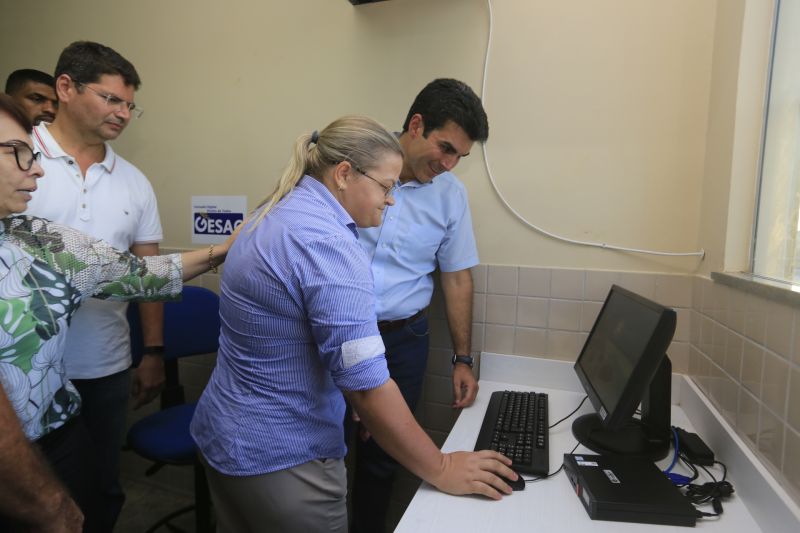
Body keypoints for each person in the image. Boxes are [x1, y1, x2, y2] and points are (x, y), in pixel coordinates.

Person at [190, 115, 515, 533]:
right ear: (344, 174)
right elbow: (367, 387)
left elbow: (295, 338)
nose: (391, 200)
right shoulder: (328, 245)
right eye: (385, 186)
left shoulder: (271, 210)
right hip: (284, 460)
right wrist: (443, 467)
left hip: (225, 439)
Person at [0, 94, 234, 531]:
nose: (35, 168)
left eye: (32, 154)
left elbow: (137, 274)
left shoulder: (34, 238)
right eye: (18, 153)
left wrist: (222, 251)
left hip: (57, 429)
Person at [24, 41, 162, 531]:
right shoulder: (19, 159)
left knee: (102, 486)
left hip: (104, 365)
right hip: (26, 374)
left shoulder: (135, 183)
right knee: (32, 498)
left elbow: (147, 275)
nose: (123, 114)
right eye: (110, 99)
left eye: (129, 104)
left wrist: (153, 352)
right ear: (65, 87)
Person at [349, 78, 489, 532]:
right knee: (324, 446)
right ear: (415, 125)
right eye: (445, 148)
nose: (449, 165)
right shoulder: (354, 163)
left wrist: (463, 358)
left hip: (402, 341)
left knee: (384, 456)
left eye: (459, 158)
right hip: (338, 335)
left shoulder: (451, 196)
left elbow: (456, 275)